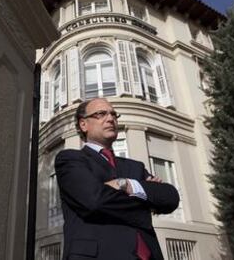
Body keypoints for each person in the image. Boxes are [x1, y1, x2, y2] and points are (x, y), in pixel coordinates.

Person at [55, 98, 180, 260]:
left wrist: (126, 184)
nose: (110, 118)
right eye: (101, 114)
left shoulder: (135, 167)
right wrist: (145, 200)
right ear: (83, 124)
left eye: (113, 114)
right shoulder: (70, 159)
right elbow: (94, 201)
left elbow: (170, 197)